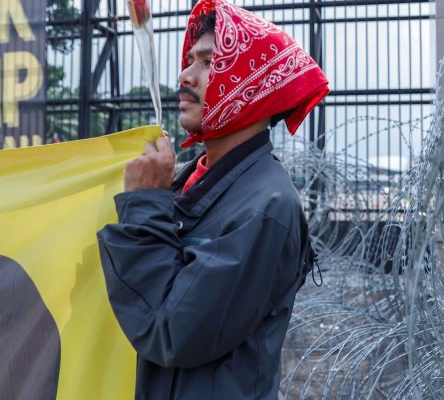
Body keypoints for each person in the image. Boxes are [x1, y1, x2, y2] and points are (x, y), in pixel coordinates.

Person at [97, 0, 328, 398]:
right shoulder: (188, 177)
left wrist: (144, 207)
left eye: (207, 63)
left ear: (250, 83)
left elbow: (172, 332)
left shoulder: (264, 206)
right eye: (189, 60)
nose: (184, 75)